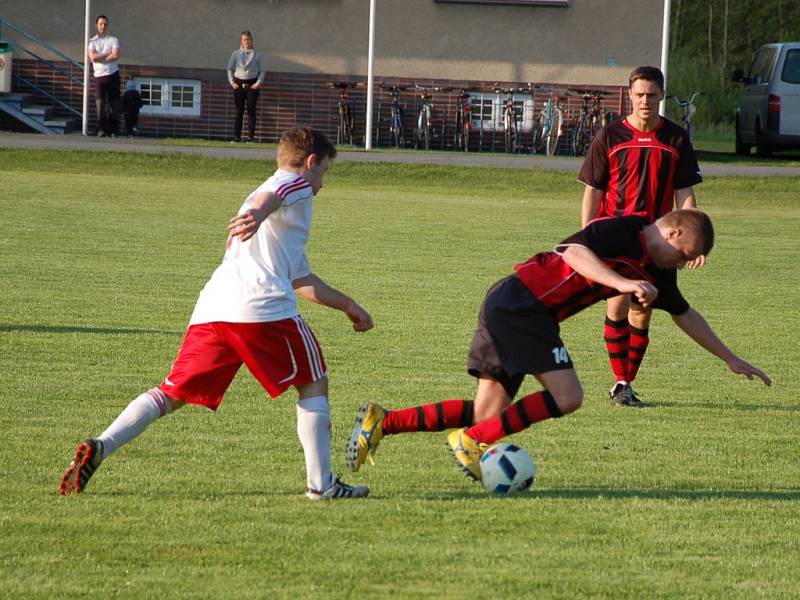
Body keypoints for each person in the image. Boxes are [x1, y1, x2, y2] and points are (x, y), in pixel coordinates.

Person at [60, 127, 374, 500]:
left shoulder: (277, 218)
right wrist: (258, 212)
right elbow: (277, 193)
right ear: (310, 163)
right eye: (324, 171)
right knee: (314, 381)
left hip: (214, 307)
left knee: (171, 392)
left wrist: (349, 306)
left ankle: (103, 444)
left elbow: (302, 279)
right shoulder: (293, 186)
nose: (323, 182)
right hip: (263, 307)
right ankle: (321, 485)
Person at [345, 210, 771, 482]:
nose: (680, 264)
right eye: (683, 254)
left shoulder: (658, 273)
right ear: (673, 231)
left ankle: (383, 422)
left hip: (518, 308)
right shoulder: (626, 230)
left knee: (487, 413)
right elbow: (572, 252)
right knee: (568, 397)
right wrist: (621, 282)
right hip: (522, 303)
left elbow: (685, 315)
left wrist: (730, 358)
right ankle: (471, 441)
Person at [578, 65, 704, 407]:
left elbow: (684, 192)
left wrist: (691, 240)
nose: (644, 101)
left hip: (659, 241)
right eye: (639, 95)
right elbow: (593, 189)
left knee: (643, 309)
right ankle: (620, 380)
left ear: (661, 95)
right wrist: (587, 232)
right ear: (629, 95)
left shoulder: (676, 138)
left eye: (651, 94)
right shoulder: (611, 135)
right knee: (618, 300)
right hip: (615, 237)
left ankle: (625, 382)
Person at [227, 31, 265, 143]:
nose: (246, 41)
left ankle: (250, 137)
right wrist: (232, 82)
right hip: (238, 84)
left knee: (251, 110)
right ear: (241, 41)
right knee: (239, 110)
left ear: (251, 41)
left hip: (252, 84)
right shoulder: (235, 54)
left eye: (248, 39)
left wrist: (258, 83)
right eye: (244, 39)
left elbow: (262, 71)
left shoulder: (258, 55)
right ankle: (236, 137)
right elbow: (229, 68)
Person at [87, 15, 121, 138]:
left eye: (105, 24)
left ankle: (113, 130)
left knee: (114, 104)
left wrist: (100, 57)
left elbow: (116, 55)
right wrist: (107, 54)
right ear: (97, 25)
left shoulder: (113, 40)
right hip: (99, 77)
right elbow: (93, 58)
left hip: (113, 75)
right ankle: (101, 129)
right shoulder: (92, 41)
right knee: (100, 104)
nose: (103, 26)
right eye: (101, 24)